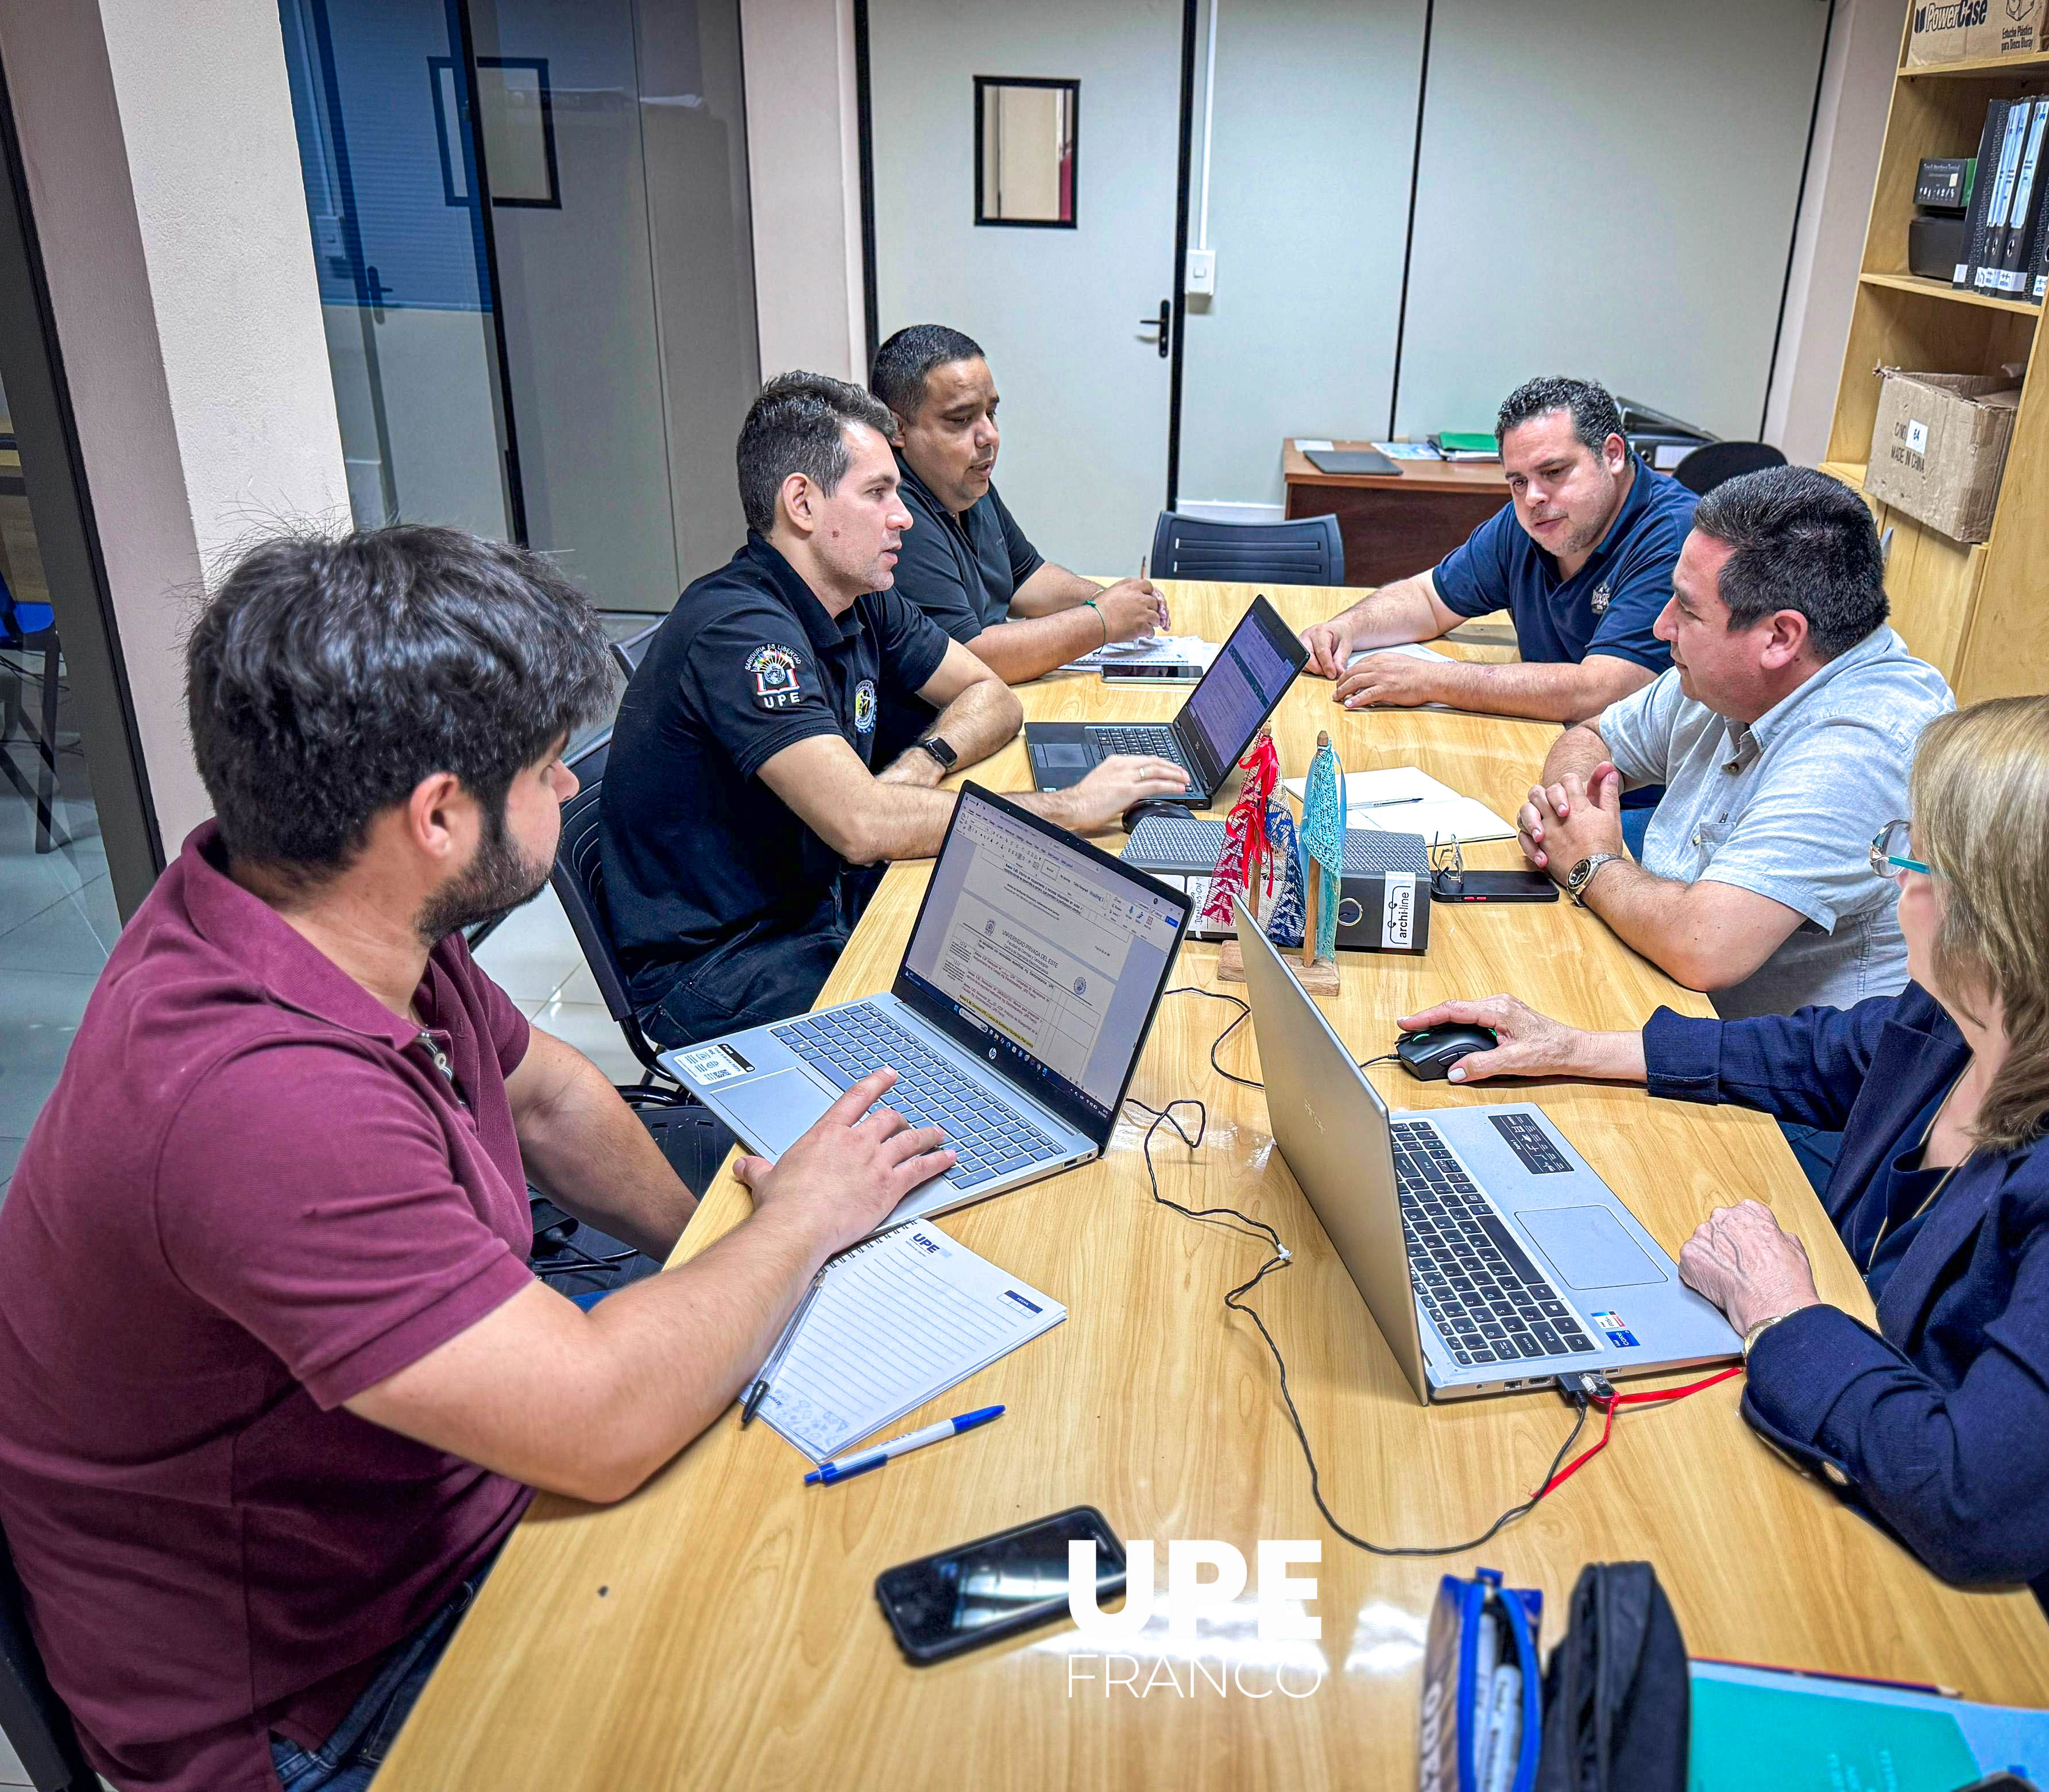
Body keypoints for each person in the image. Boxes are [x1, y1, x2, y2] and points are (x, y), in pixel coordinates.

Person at [0, 525, 958, 1792]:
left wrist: (708, 1237)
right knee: (817, 1688)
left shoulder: (327, 897)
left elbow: (547, 1091)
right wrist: (795, 1227)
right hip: (324, 1691)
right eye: (552, 768)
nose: (572, 791)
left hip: (427, 1494)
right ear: (438, 816)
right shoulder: (259, 1107)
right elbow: (599, 1421)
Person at [1404, 691, 2049, 1792]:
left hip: (2048, 1678)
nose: (1895, 878)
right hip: (1903, 1529)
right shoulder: (1974, 1020)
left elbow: (1984, 1499)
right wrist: (1579, 1045)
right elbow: (1822, 1054)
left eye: (1915, 855)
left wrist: (1786, 1317)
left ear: (2015, 924)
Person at [601, 372, 1187, 1048]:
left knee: (1052, 973)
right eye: (878, 493)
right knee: (1002, 1031)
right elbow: (861, 827)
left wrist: (921, 763)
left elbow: (990, 696)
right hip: (728, 969)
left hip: (818, 904)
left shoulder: (857, 591)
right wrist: (1068, 809)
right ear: (802, 503)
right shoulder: (741, 633)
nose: (902, 515)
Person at [1517, 466, 1950, 1028]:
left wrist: (1588, 863)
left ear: (1779, 638)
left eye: (1687, 610)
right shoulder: (1725, 671)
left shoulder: (1862, 745)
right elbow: (1593, 735)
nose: (1659, 627)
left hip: (1789, 1085)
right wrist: (1572, 806)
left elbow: (1701, 947)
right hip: (1671, 998)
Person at [1296, 376, 1695, 851]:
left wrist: (1431, 681)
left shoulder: (1672, 537)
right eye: (1518, 481)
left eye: (1554, 472)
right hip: (1544, 755)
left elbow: (1602, 689)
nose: (1532, 498)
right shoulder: (1533, 521)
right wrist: (1347, 628)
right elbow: (1429, 599)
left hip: (1640, 804)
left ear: (1612, 454)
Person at [869, 323, 1169, 750]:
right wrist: (1101, 621)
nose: (989, 435)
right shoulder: (898, 516)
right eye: (961, 420)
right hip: (938, 737)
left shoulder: (965, 482)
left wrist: (1110, 598)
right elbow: (972, 655)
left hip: (993, 714)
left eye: (991, 413)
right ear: (898, 429)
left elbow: (1026, 575)